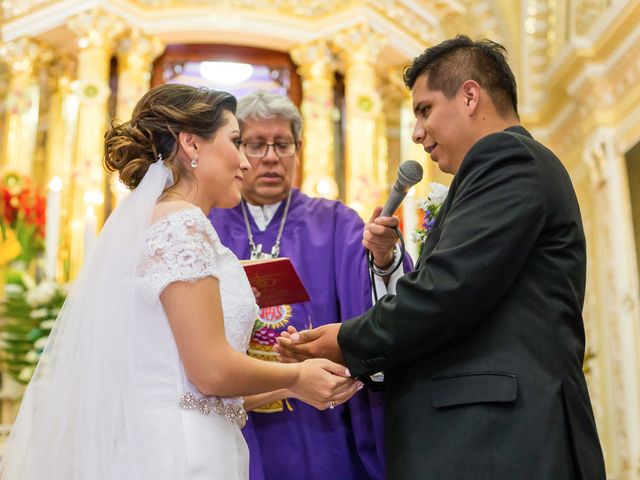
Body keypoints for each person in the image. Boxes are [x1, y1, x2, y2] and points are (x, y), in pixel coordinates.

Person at [276, 35, 607, 480]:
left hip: (500, 440)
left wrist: (346, 340)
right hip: (487, 439)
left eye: (425, 109)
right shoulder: (497, 169)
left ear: (470, 96)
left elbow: (446, 291)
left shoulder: (506, 158)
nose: (416, 132)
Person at [0, 84, 362, 480]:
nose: (245, 163)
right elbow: (210, 372)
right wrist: (295, 374)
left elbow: (192, 384)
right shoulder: (183, 226)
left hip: (180, 438)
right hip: (184, 452)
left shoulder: (161, 221)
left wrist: (293, 388)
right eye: (237, 142)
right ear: (191, 144)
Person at [208, 91, 409, 480]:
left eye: (282, 144)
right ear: (238, 150)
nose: (269, 157)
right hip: (230, 412)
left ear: (298, 149)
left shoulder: (335, 222)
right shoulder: (209, 223)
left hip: (319, 420)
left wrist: (384, 259)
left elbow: (379, 307)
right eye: (255, 144)